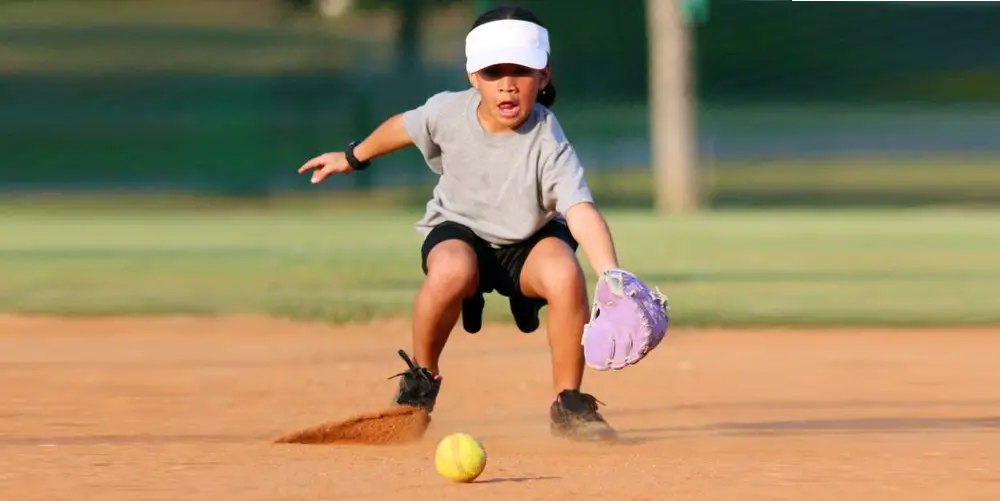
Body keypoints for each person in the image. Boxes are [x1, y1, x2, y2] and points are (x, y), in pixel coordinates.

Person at [298, 5, 623, 441]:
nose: (507, 84)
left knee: (565, 272)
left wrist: (611, 276)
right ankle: (421, 381)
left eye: (521, 71)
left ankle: (568, 401)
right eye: (493, 72)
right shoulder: (449, 112)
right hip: (461, 231)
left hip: (528, 240)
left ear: (543, 76)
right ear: (473, 76)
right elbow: (404, 127)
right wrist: (353, 157)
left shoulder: (549, 139)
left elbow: (580, 209)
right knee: (451, 269)